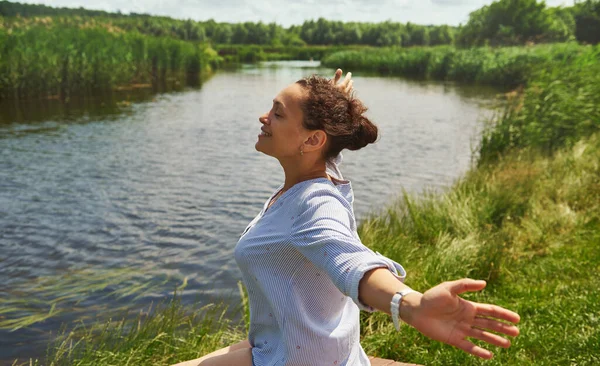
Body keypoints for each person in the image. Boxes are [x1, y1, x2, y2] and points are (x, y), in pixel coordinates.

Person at [174, 69, 520, 366]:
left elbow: (353, 262)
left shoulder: (315, 205)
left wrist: (409, 304)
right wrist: (335, 102)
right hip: (309, 348)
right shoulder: (319, 171)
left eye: (277, 114)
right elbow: (329, 142)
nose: (264, 117)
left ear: (312, 139)